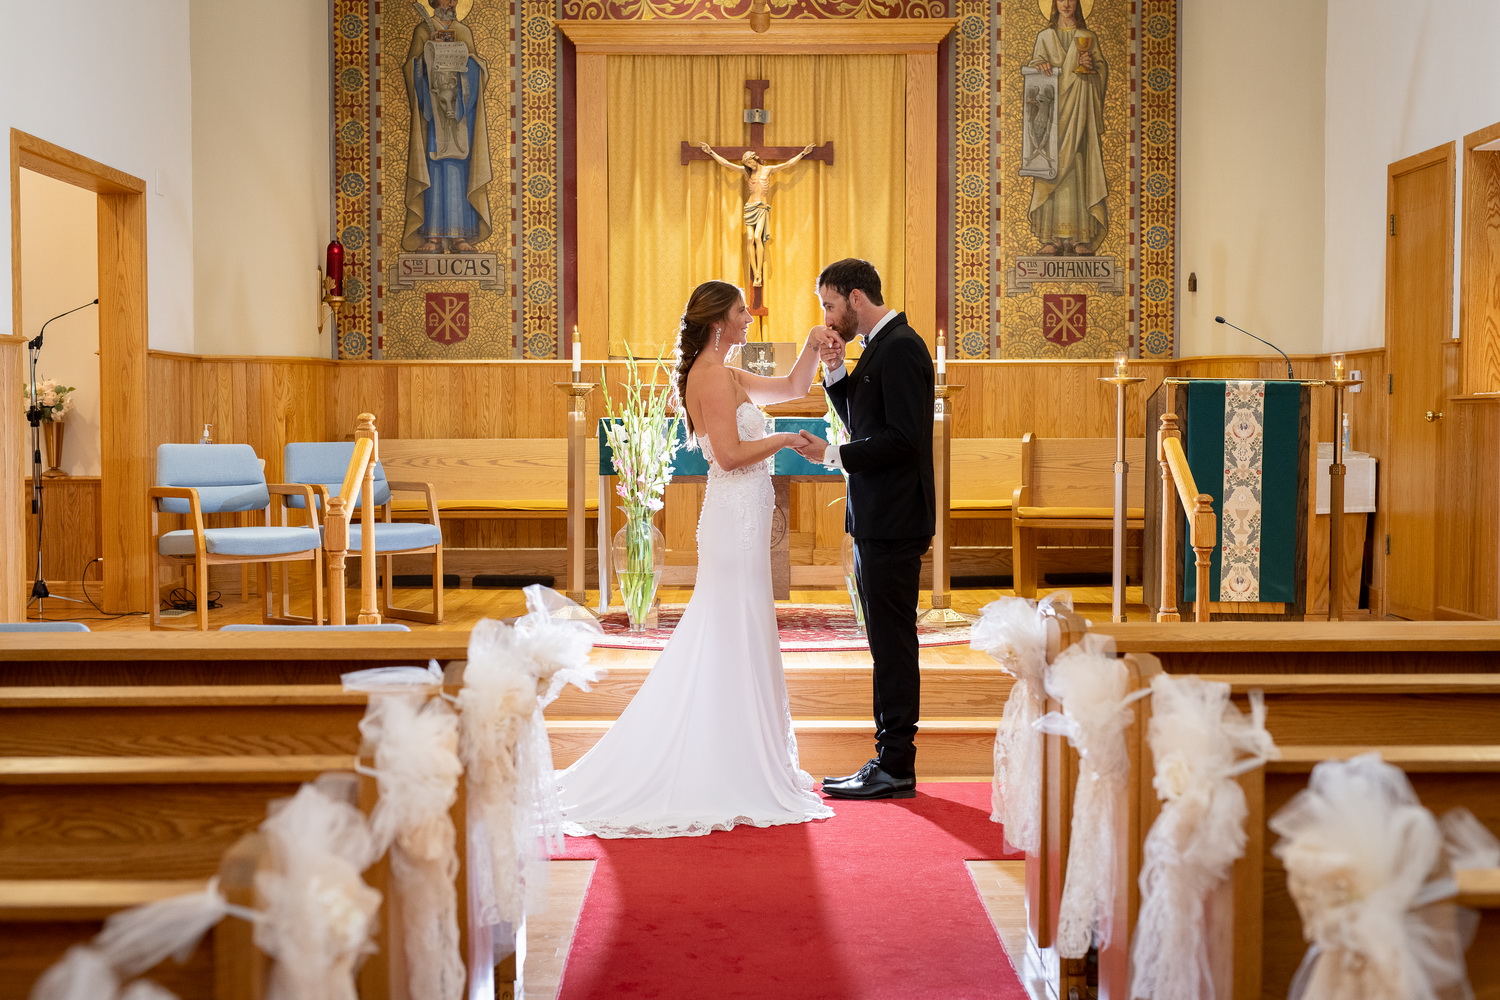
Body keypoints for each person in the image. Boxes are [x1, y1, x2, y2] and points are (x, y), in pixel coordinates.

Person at [555, 280, 837, 837]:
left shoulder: (728, 373)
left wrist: (810, 343)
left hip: (746, 522)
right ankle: (721, 763)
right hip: (733, 522)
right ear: (718, 323)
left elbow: (792, 385)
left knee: (743, 632)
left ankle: (738, 753)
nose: (748, 319)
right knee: (729, 631)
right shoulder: (708, 377)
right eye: (740, 312)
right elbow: (729, 457)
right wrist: (783, 441)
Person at [794, 259, 935, 800]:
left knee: (893, 644)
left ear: (855, 297)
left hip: (895, 519)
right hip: (881, 517)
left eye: (830, 305)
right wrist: (834, 371)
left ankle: (896, 761)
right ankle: (889, 758)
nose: (828, 318)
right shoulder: (879, 344)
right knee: (884, 641)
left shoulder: (899, 345)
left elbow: (902, 438)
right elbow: (864, 420)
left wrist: (833, 453)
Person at [401, 0, 493, 253]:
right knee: (435, 169)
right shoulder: (422, 30)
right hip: (432, 116)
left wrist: (465, 61)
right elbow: (411, 68)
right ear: (433, 2)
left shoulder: (463, 32)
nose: (450, 3)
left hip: (460, 115)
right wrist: (429, 55)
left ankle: (459, 237)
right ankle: (432, 236)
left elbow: (478, 68)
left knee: (457, 170)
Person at [1025, 0, 1108, 256]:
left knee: (1077, 167)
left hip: (1080, 113)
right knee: (1051, 167)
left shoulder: (1088, 37)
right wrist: (1039, 64)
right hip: (1052, 118)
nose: (1067, 4)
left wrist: (1092, 69)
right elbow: (1034, 73)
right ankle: (1052, 239)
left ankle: (1080, 237)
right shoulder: (1045, 37)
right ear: (1054, 4)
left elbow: (1101, 72)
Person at [697, 142, 816, 288]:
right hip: (750, 207)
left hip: (762, 208)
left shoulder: (768, 170)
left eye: (751, 162)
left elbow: (788, 164)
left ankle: (759, 273)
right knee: (749, 239)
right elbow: (726, 164)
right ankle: (755, 272)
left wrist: (804, 153)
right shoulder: (747, 173)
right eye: (748, 164)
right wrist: (710, 152)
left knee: (758, 238)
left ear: (755, 158)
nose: (751, 165)